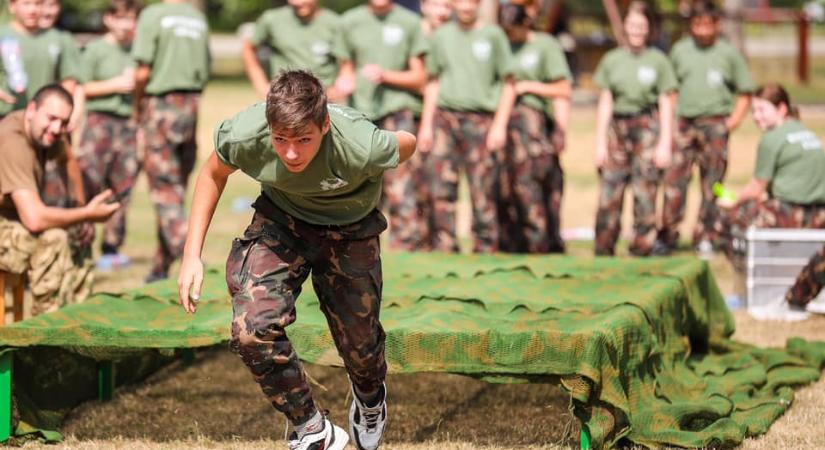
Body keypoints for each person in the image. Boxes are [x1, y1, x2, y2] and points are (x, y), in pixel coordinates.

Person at [177, 70, 417, 450]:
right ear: (269, 127)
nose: (290, 153)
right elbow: (212, 173)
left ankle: (370, 398)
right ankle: (310, 426)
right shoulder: (246, 133)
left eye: (303, 140)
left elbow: (407, 142)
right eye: (281, 139)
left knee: (362, 347)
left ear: (324, 125)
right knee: (251, 329)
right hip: (282, 221)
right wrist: (191, 255)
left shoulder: (361, 146)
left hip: (351, 228)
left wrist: (392, 149)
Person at [0, 85, 119, 315]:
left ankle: (78, 321)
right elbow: (34, 219)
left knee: (79, 234)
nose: (56, 129)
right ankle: (46, 332)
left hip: (12, 220)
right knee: (54, 239)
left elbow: (68, 159)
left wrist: (79, 206)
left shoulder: (45, 132)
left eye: (63, 123)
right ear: (32, 109)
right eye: (51, 118)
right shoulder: (12, 141)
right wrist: (87, 215)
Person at [656, 0, 754, 256]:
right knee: (674, 182)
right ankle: (667, 236)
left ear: (717, 24)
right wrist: (674, 120)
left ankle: (707, 237)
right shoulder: (680, 51)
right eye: (697, 25)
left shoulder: (728, 54)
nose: (702, 31)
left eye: (707, 25)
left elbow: (745, 92)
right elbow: (670, 88)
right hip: (685, 125)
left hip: (716, 125)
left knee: (713, 185)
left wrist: (732, 122)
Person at [417, 0, 516, 253]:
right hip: (445, 120)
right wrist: (427, 125)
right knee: (441, 189)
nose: (466, 5)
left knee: (482, 190)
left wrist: (499, 125)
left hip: (481, 121)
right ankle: (445, 248)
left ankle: (485, 248)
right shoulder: (441, 36)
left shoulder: (494, 35)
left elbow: (509, 83)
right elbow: (433, 81)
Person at [339, 0, 428, 251]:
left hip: (396, 112)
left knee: (401, 184)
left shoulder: (410, 22)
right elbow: (345, 70)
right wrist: (344, 82)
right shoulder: (349, 21)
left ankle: (406, 247)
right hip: (359, 115)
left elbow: (420, 76)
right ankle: (358, 246)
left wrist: (386, 75)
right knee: (359, 183)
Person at [132, 0, 210, 282]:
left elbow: (142, 72)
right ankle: (159, 268)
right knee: (175, 191)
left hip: (160, 105)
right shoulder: (197, 18)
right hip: (190, 106)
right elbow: (205, 69)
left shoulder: (153, 15)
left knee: (164, 190)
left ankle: (194, 259)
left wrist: (137, 106)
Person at [592, 1, 676, 256]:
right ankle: (604, 250)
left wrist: (665, 142)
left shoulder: (658, 61)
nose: (636, 30)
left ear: (649, 28)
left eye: (642, 25)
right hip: (618, 131)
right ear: (624, 27)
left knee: (645, 193)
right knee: (609, 194)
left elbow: (666, 102)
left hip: (647, 130)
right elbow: (606, 101)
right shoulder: (612, 60)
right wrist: (599, 142)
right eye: (632, 25)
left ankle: (642, 249)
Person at [711, 83, 825, 265]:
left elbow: (756, 188)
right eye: (754, 111)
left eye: (762, 110)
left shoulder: (772, 139)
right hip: (820, 214)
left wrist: (733, 202)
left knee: (723, 220)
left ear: (781, 108)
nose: (756, 117)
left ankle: (751, 274)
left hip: (791, 213)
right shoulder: (806, 132)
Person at [496, 2, 572, 253]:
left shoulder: (545, 45)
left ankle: (543, 243)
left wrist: (562, 129)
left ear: (525, 23)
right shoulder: (503, 45)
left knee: (538, 185)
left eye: (513, 30)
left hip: (535, 128)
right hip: (504, 127)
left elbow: (563, 89)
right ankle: (513, 244)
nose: (509, 35)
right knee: (507, 188)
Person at [76, 0, 140, 271]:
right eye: (121, 18)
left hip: (127, 126)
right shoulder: (94, 50)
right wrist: (113, 85)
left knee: (122, 186)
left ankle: (112, 248)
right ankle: (82, 243)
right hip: (98, 124)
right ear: (109, 19)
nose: (126, 25)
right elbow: (79, 87)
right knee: (89, 184)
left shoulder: (138, 51)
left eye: (131, 19)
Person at [242, 0, 350, 103]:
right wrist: (260, 84)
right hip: (284, 99)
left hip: (323, 99)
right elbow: (249, 48)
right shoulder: (271, 19)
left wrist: (339, 87)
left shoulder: (336, 23)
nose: (298, 2)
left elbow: (346, 61)